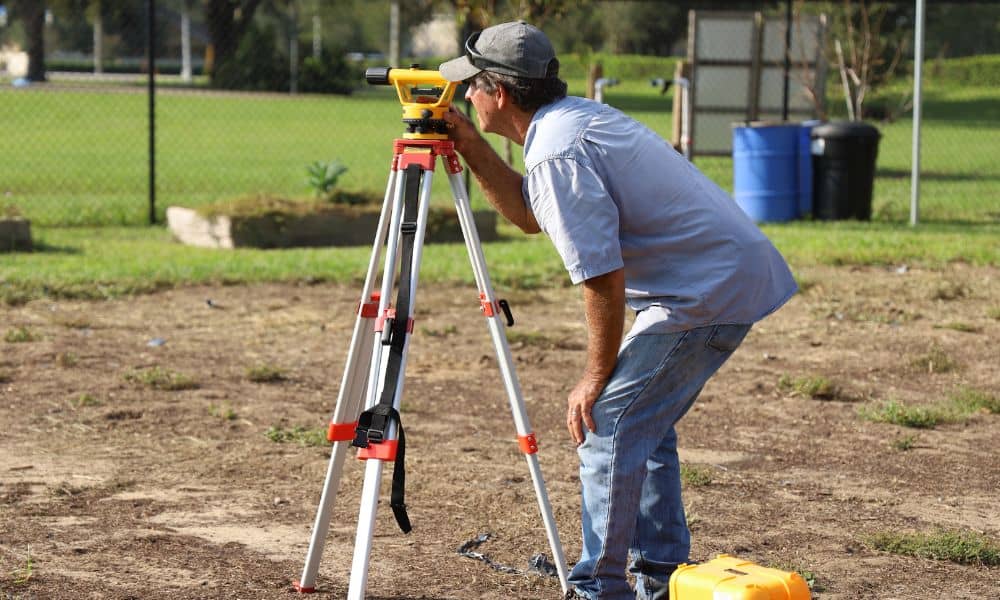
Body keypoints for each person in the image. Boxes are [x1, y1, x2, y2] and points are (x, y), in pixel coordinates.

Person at [439, 21, 797, 600]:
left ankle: (599, 589)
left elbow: (602, 276)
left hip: (702, 293)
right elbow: (532, 215)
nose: (465, 97)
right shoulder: (570, 121)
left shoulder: (558, 150)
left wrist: (593, 376)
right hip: (715, 279)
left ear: (499, 94)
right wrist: (472, 147)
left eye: (470, 87)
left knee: (606, 424)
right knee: (642, 427)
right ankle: (660, 577)